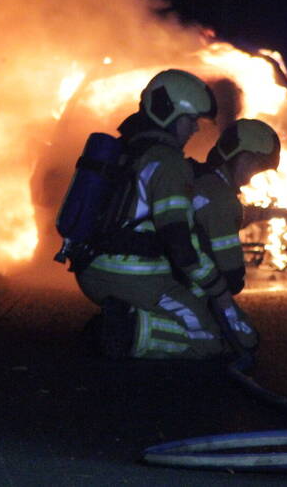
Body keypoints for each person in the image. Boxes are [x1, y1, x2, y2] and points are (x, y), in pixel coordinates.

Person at [76, 69, 244, 360]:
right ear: (169, 114)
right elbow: (180, 244)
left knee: (192, 303)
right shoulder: (168, 162)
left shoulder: (129, 149)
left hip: (91, 266)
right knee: (210, 338)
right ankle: (125, 331)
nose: (195, 129)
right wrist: (217, 287)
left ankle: (126, 319)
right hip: (132, 274)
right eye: (190, 120)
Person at [192, 119, 282, 297]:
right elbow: (231, 271)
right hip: (195, 294)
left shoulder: (202, 182)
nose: (253, 174)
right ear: (243, 157)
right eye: (258, 165)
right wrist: (234, 280)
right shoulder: (222, 196)